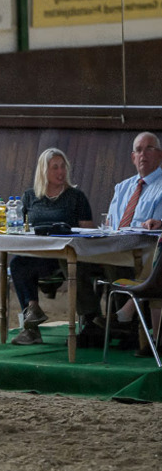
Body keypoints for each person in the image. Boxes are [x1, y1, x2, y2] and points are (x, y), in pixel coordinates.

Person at [10, 148, 98, 346]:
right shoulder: (30, 197)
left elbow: (88, 231)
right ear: (44, 171)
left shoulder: (76, 197)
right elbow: (19, 226)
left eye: (63, 166)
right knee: (17, 264)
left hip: (65, 254)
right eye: (55, 167)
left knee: (68, 263)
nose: (60, 172)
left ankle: (91, 321)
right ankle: (32, 316)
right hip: (37, 254)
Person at [95, 132, 162, 349]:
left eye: (149, 148)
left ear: (159, 155)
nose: (143, 154)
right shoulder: (122, 187)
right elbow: (114, 224)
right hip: (118, 247)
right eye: (139, 150)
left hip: (148, 250)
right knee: (78, 260)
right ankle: (93, 323)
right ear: (133, 157)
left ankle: (128, 316)